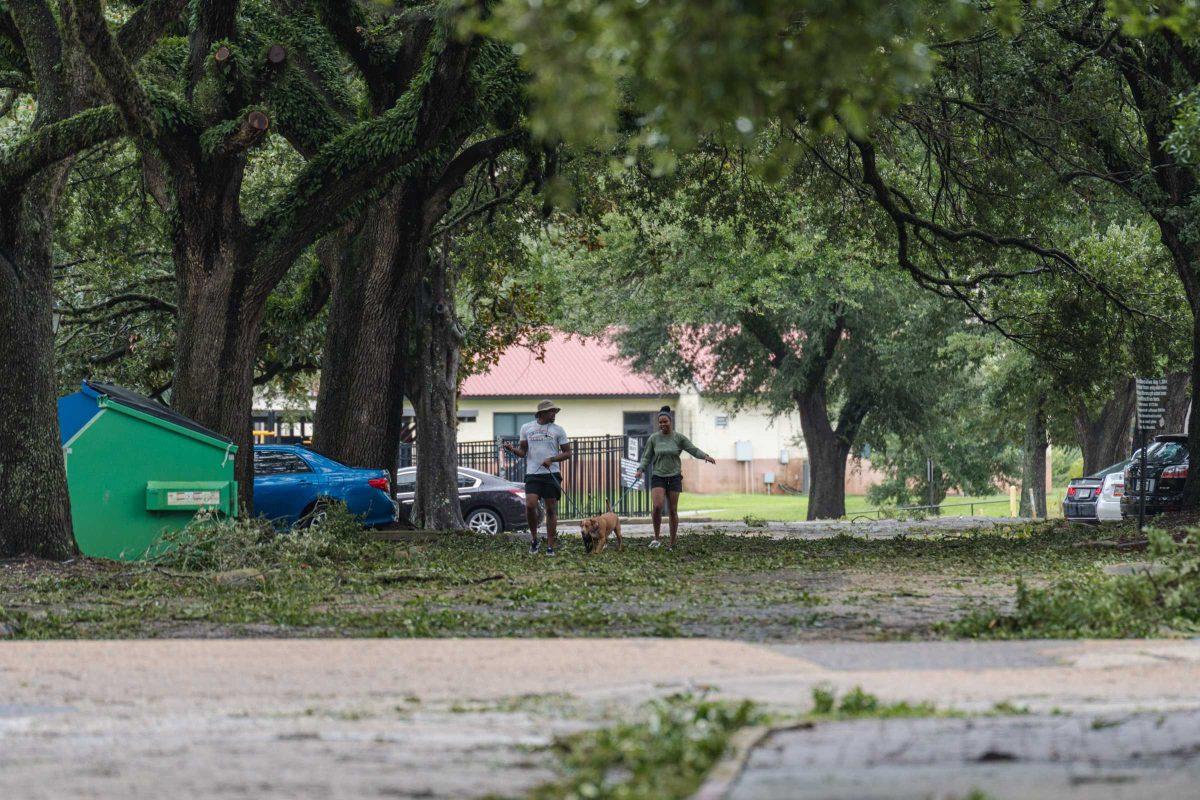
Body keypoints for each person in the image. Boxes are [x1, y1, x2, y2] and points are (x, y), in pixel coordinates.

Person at [634, 406, 716, 550]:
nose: (662, 424)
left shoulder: (678, 438)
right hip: (658, 475)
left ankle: (672, 543)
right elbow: (646, 456)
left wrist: (705, 456)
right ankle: (656, 538)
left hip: (674, 477)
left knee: (672, 510)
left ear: (670, 422)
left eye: (665, 422)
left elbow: (693, 449)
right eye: (660, 422)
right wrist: (640, 469)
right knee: (657, 507)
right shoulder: (654, 438)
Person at [502, 400, 572, 555]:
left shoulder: (558, 430)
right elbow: (522, 452)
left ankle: (550, 546)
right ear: (541, 413)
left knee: (551, 509)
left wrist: (552, 459)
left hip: (551, 474)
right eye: (550, 411)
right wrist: (512, 449)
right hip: (533, 474)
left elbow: (567, 453)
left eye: (554, 411)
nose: (553, 414)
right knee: (530, 505)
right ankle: (534, 539)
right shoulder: (527, 428)